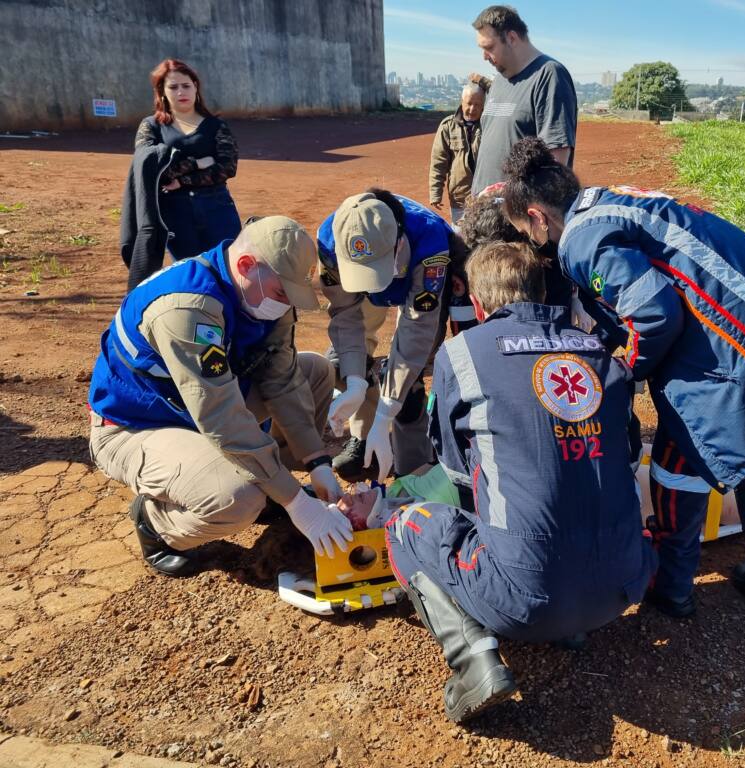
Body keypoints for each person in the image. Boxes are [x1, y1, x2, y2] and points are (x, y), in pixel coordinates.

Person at [499, 138, 745, 623]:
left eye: (528, 232)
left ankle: (672, 587)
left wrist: (629, 370)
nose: (535, 243)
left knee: (674, 465)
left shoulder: (580, 239)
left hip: (722, 352)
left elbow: (652, 311)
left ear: (539, 216)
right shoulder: (612, 201)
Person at [385, 240, 656, 723]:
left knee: (405, 527)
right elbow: (629, 454)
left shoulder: (463, 354)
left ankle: (474, 661)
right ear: (542, 290)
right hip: (623, 585)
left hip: (526, 600)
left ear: (482, 304)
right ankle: (566, 619)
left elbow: (454, 468)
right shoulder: (599, 350)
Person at [89, 216, 352, 576]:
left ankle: (271, 485)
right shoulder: (187, 309)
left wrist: (317, 462)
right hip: (136, 425)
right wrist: (297, 501)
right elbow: (221, 417)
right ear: (246, 266)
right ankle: (155, 524)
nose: (286, 303)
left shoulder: (258, 289)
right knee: (239, 497)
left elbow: (283, 380)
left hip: (196, 407)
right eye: (282, 293)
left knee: (315, 373)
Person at [317, 190, 471, 483]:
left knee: (407, 381)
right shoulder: (330, 240)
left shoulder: (430, 242)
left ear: (399, 241)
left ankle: (413, 470)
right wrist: (354, 382)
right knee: (346, 364)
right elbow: (345, 316)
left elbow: (417, 328)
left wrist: (388, 410)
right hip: (364, 286)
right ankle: (365, 439)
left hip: (414, 290)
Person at [133, 59, 242, 270]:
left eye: (186, 85)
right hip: (175, 211)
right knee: (189, 271)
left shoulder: (216, 125)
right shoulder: (151, 127)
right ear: (162, 92)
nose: (181, 92)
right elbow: (151, 168)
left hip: (217, 207)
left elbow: (227, 168)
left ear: (195, 87)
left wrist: (183, 180)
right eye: (173, 87)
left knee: (228, 268)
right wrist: (199, 162)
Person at [469, 5, 578, 195]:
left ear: (511, 38)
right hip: (485, 209)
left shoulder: (549, 76)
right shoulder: (499, 81)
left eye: (489, 48)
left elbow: (555, 163)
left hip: (518, 215)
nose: (484, 56)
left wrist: (516, 206)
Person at [429, 81, 486, 223]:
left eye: (478, 104)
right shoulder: (447, 127)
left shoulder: (488, 125)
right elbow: (438, 162)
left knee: (485, 237)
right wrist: (435, 193)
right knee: (462, 239)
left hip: (485, 196)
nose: (473, 109)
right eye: (469, 103)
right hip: (460, 198)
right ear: (462, 102)